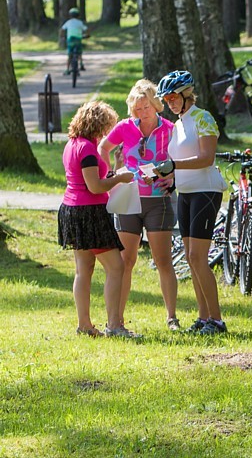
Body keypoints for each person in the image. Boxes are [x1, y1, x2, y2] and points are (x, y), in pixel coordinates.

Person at [98, 79, 180, 331]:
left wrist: (170, 178)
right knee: (125, 260)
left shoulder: (170, 129)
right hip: (128, 199)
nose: (142, 113)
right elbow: (103, 148)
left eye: (146, 108)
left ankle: (172, 317)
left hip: (159, 201)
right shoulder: (124, 127)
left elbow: (179, 161)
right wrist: (110, 174)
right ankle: (117, 319)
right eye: (137, 109)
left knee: (163, 259)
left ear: (157, 105)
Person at [154, 70, 229, 335]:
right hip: (185, 193)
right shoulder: (178, 123)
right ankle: (203, 316)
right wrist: (170, 178)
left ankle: (217, 321)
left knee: (198, 257)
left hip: (206, 191)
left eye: (174, 97)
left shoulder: (203, 117)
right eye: (166, 99)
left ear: (187, 95)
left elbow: (206, 158)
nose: (170, 103)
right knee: (190, 256)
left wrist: (173, 165)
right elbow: (181, 162)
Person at [58, 101, 138, 338]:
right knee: (117, 266)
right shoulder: (88, 150)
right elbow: (94, 187)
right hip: (89, 213)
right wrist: (120, 179)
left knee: (83, 270)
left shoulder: (72, 144)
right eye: (106, 126)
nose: (106, 132)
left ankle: (84, 325)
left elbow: (90, 179)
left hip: (71, 209)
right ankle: (115, 325)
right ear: (97, 124)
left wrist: (114, 171)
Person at [60, 7, 88, 75]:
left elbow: (62, 30)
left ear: (70, 15)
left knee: (70, 55)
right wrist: (87, 35)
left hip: (70, 39)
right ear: (78, 15)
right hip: (78, 39)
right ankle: (81, 64)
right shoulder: (80, 22)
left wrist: (62, 36)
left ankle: (67, 69)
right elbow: (86, 29)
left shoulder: (68, 22)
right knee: (79, 53)